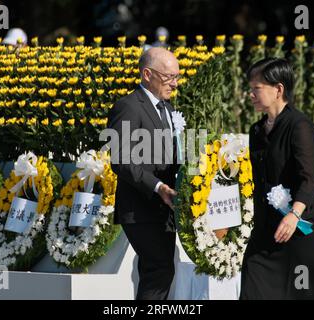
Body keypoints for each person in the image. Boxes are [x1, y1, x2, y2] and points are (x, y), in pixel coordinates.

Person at [240, 58, 314, 300]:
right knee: (253, 288)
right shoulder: (256, 130)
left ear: (279, 89)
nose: (249, 94)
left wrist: (294, 215)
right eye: (250, 88)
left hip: (299, 229)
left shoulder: (299, 125)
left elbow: (308, 177)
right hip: (266, 232)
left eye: (256, 88)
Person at [108, 47, 181, 300]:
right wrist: (158, 187)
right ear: (147, 74)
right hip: (140, 208)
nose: (174, 84)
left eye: (177, 77)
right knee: (158, 270)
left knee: (159, 272)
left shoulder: (168, 108)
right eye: (169, 77)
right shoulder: (128, 106)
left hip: (164, 208)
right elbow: (121, 160)